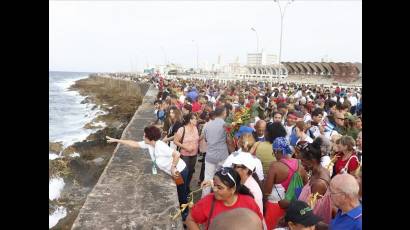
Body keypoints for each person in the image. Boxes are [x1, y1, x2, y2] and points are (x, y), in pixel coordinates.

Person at [105, 126, 189, 220]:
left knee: (181, 194)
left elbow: (177, 154)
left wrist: (173, 167)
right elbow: (134, 144)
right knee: (181, 191)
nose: (143, 137)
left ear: (150, 138)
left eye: (144, 135)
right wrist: (117, 140)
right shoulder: (149, 144)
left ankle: (185, 215)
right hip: (174, 172)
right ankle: (184, 209)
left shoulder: (160, 146)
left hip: (179, 171)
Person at [186, 167, 263, 230]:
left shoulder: (249, 203)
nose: (214, 190)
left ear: (233, 189)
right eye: (214, 185)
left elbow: (259, 224)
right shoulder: (208, 201)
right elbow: (190, 220)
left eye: (220, 188)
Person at [263, 137, 308, 230]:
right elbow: (306, 185)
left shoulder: (275, 166)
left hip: (276, 206)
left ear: (277, 151)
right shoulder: (300, 164)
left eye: (273, 152)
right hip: (294, 207)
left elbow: (267, 191)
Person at [297, 138, 333, 224]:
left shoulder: (319, 183)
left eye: (302, 161)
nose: (301, 164)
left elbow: (310, 212)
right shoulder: (316, 172)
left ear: (312, 161)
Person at [202, 107, 230, 198]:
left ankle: (204, 199)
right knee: (222, 179)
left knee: (208, 178)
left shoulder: (207, 124)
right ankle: (218, 197)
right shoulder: (225, 125)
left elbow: (205, 139)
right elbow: (229, 140)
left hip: (210, 155)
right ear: (224, 113)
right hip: (222, 156)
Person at [174, 113, 200, 190]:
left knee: (191, 171)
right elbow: (175, 141)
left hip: (194, 154)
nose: (196, 120)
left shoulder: (195, 128)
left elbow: (197, 139)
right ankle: (182, 188)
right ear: (190, 120)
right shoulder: (182, 129)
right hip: (184, 154)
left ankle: (187, 186)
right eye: (194, 119)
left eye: (196, 118)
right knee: (184, 171)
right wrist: (186, 147)